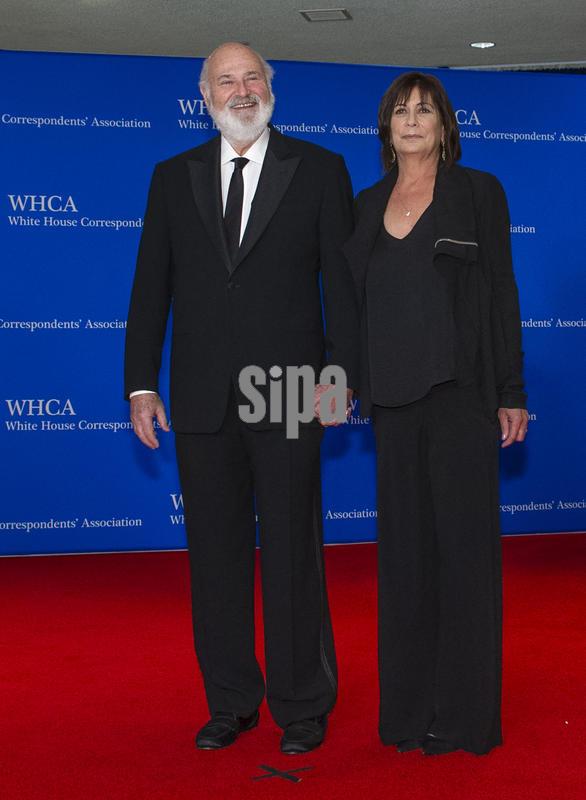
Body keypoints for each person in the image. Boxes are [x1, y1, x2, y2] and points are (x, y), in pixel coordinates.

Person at [124, 42, 358, 755]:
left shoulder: (319, 168)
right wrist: (141, 383)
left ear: (271, 87)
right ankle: (230, 701)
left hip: (291, 390)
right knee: (214, 557)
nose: (241, 89)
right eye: (226, 80)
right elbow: (150, 287)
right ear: (206, 97)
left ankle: (303, 703)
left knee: (292, 553)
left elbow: (343, 288)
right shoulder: (173, 177)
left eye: (253, 76)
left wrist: (341, 377)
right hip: (201, 395)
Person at [342, 71, 528, 756]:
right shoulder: (365, 206)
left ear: (446, 126)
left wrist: (511, 389)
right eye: (401, 111)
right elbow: (351, 309)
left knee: (464, 559)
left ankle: (464, 716)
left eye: (425, 110)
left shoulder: (478, 193)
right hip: (392, 404)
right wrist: (340, 384)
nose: (413, 120)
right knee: (406, 562)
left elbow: (501, 292)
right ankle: (408, 712)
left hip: (462, 397)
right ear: (386, 128)